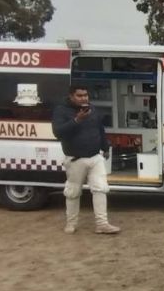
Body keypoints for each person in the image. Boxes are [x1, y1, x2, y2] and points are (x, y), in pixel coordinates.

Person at [51, 85, 120, 235]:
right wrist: (77, 120)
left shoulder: (92, 109)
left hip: (95, 157)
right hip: (75, 159)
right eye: (80, 96)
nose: (84, 98)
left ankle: (102, 224)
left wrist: (106, 147)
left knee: (101, 188)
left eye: (86, 95)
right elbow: (58, 132)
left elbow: (100, 129)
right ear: (71, 96)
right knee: (73, 192)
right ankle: (71, 224)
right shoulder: (61, 110)